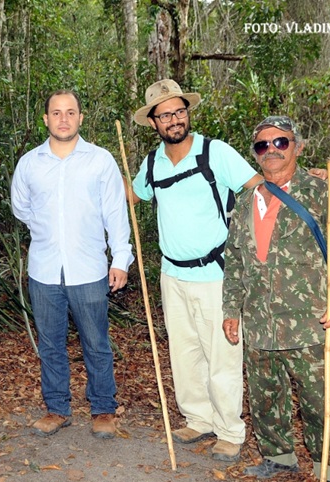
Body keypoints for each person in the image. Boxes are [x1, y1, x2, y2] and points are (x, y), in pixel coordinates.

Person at [222, 116, 330, 482]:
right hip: (259, 319)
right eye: (262, 145)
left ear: (297, 147)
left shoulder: (322, 192)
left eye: (280, 142)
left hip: (310, 321)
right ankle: (278, 457)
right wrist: (231, 308)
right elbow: (235, 259)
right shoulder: (245, 199)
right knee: (265, 395)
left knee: (319, 399)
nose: (271, 150)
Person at [130, 79, 262, 462]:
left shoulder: (214, 152)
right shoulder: (152, 162)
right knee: (184, 353)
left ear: (188, 114)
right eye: (165, 114)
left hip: (216, 274)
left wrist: (298, 182)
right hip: (172, 274)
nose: (174, 120)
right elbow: (133, 194)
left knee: (221, 355)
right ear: (153, 123)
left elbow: (256, 187)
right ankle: (198, 418)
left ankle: (229, 431)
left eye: (179, 111)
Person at [11, 90, 133, 439]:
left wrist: (120, 259)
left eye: (70, 112)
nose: (63, 119)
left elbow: (115, 213)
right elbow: (20, 206)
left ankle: (103, 409)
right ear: (46, 119)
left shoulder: (100, 161)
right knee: (50, 343)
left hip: (89, 269)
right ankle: (57, 409)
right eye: (56, 113)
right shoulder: (30, 163)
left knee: (95, 342)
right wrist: (46, 229)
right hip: (44, 270)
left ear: (81, 118)